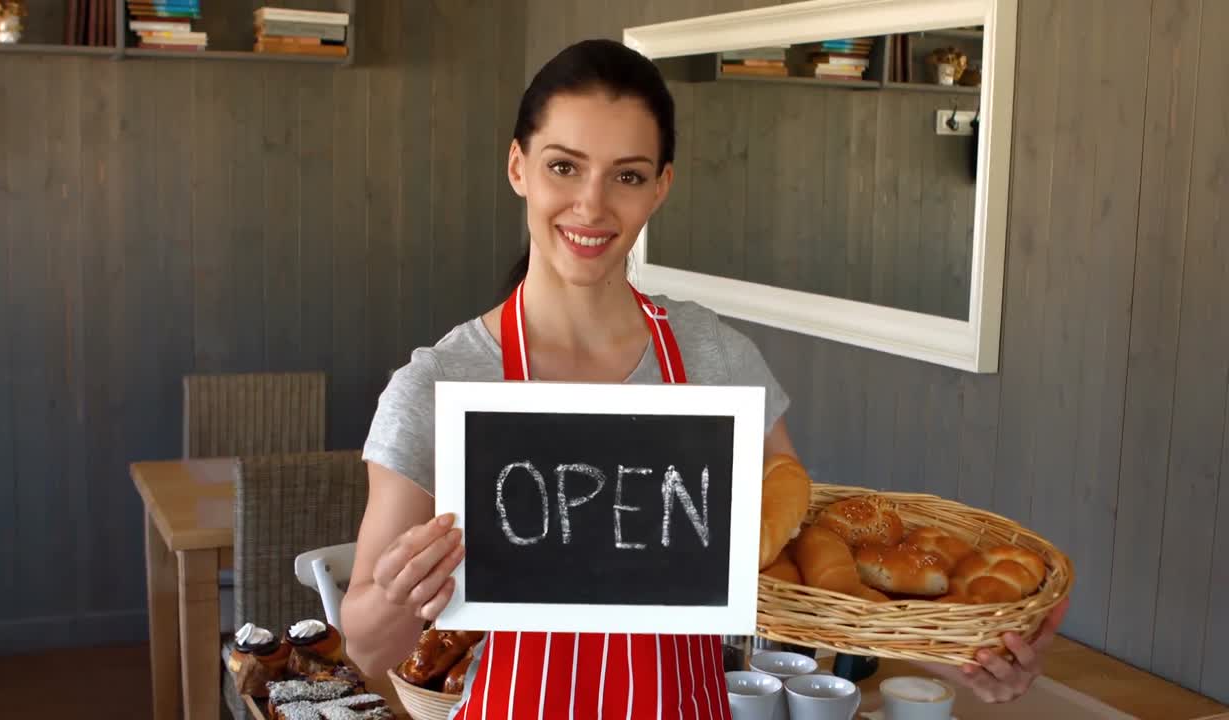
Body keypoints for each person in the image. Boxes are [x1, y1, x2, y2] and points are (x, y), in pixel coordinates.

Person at [340, 38, 1067, 715]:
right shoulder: (439, 385)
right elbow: (368, 648)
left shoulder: (714, 358)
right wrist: (403, 597)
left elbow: (801, 576)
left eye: (626, 175)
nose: (592, 205)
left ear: (660, 188)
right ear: (518, 168)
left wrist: (958, 649)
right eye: (564, 166)